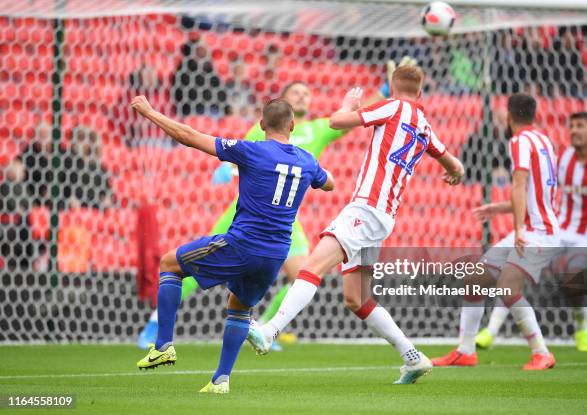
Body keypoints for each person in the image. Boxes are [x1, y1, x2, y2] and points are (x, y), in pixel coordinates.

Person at [137, 75, 391, 349]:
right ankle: (154, 325)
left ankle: (265, 328)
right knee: (191, 267)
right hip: (248, 215)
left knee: (301, 275)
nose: (302, 96)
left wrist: (386, 90)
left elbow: (354, 117)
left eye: (306, 92)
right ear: (282, 103)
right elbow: (239, 153)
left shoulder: (318, 129)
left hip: (285, 221)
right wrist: (227, 169)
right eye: (296, 91)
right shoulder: (264, 131)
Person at [248, 65, 465, 385]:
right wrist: (456, 173)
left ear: (393, 88)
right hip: (385, 215)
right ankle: (412, 356)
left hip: (367, 208)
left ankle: (270, 330)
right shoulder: (425, 126)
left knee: (312, 265)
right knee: (356, 299)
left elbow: (337, 122)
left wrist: (350, 106)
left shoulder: (393, 105)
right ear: (420, 93)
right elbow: (454, 164)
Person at [131, 95, 334, 394]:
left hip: (243, 243)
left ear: (262, 124)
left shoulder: (250, 150)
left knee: (169, 264)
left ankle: (163, 345)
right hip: (276, 253)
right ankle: (221, 379)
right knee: (239, 308)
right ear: (292, 125)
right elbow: (329, 183)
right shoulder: (307, 160)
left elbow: (188, 136)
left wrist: (150, 113)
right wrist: (313, 174)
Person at [432, 93, 559, 371]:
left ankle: (542, 352)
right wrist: (500, 209)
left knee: (508, 287)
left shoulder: (519, 141)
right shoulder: (544, 141)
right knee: (475, 279)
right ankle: (466, 351)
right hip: (533, 226)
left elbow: (520, 182)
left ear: (509, 115)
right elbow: (538, 193)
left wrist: (517, 230)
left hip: (537, 231)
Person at [475, 111, 587, 352]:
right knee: (513, 267)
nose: (574, 131)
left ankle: (582, 327)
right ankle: (491, 330)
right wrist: (503, 208)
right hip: (557, 230)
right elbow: (540, 197)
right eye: (571, 126)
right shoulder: (563, 160)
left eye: (580, 126)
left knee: (573, 271)